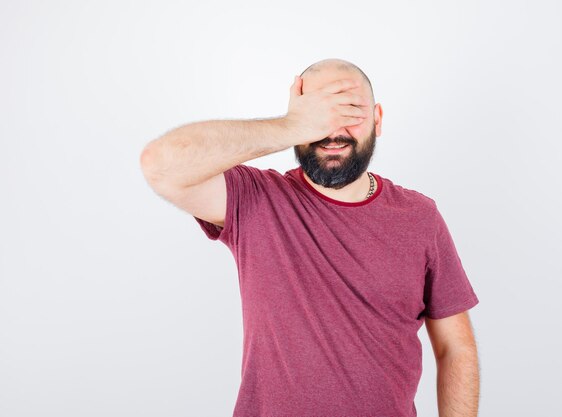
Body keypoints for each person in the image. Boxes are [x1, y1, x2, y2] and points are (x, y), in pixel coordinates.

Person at [140, 58, 480, 417]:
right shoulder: (256, 198)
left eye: (349, 111)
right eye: (319, 114)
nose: (333, 130)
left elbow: (455, 348)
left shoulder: (420, 217)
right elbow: (161, 164)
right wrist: (291, 126)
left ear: (377, 119)